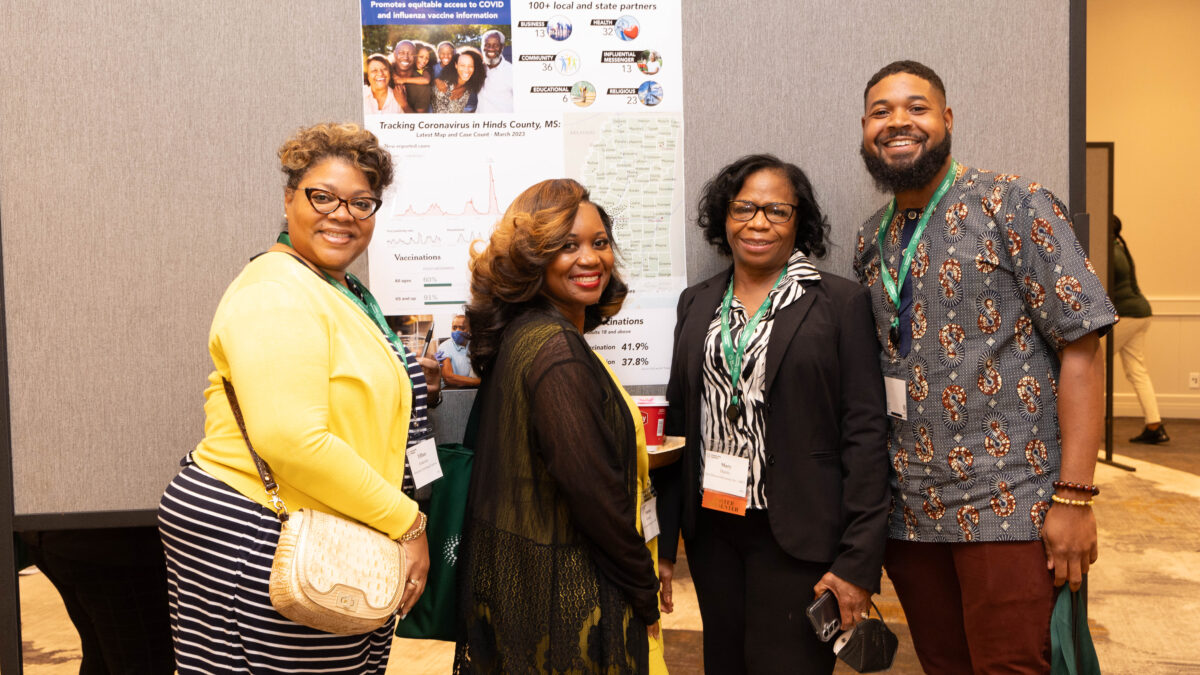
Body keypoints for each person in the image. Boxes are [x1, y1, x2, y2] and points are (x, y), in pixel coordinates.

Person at [853, 60, 1116, 673]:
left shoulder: (1014, 204)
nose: (898, 122)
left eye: (916, 108)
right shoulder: (873, 237)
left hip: (1010, 503)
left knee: (1014, 667)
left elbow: (1082, 344)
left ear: (946, 120)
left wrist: (1075, 497)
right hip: (910, 513)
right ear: (865, 128)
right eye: (881, 112)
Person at [157, 122, 437, 672]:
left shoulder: (339, 289)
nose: (342, 215)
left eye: (361, 202)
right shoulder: (277, 291)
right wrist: (408, 523)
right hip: (263, 528)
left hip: (331, 524)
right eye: (322, 196)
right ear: (289, 199)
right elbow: (292, 439)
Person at [655, 154, 890, 673]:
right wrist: (664, 543)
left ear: (798, 220)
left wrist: (857, 562)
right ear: (724, 217)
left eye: (776, 210)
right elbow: (677, 424)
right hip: (713, 529)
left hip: (800, 534)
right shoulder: (697, 303)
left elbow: (866, 434)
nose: (757, 222)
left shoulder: (840, 304)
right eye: (744, 208)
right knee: (723, 663)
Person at [455, 179, 664, 673]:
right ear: (533, 257)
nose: (590, 259)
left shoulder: (526, 333)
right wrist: (644, 590)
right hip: (571, 598)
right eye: (566, 246)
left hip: (524, 591)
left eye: (599, 243)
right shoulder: (557, 351)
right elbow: (593, 494)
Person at [1111, 215, 1168, 443]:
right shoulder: (1119, 248)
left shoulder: (1109, 253)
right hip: (1140, 313)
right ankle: (1154, 425)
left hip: (1126, 315)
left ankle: (1089, 424)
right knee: (1137, 370)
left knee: (1092, 366)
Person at [432, 49, 486, 114]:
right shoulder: (442, 84)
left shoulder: (470, 89)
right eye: (462, 65)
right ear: (456, 65)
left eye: (471, 66)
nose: (466, 70)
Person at [437, 314, 481, 388]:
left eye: (462, 328)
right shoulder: (445, 347)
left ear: (470, 330)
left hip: (473, 390)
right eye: (454, 328)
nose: (457, 331)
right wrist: (479, 381)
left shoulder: (475, 346)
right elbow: (449, 378)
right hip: (453, 391)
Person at [474, 30, 513, 113]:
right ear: (482, 46)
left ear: (502, 47)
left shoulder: (512, 71)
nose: (491, 49)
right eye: (487, 45)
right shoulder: (478, 68)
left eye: (496, 45)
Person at [390, 40, 426, 113]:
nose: (406, 57)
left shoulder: (422, 86)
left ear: (416, 57)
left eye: (411, 54)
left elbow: (420, 122)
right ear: (394, 54)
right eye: (401, 53)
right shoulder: (384, 75)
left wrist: (404, 104)